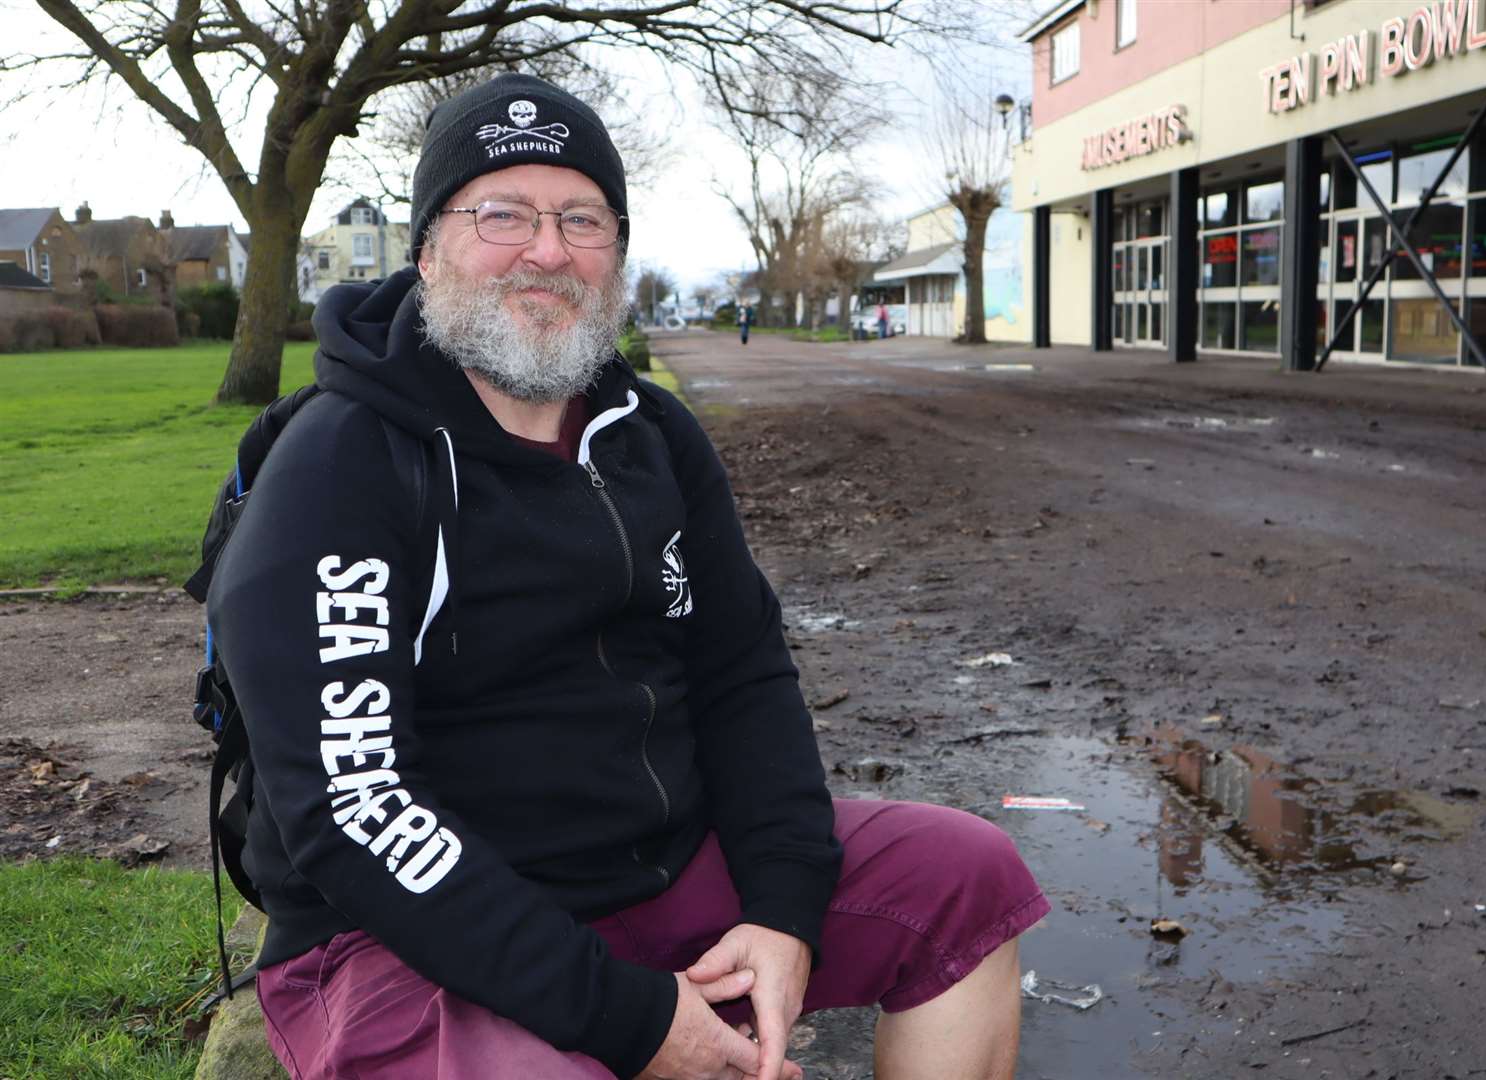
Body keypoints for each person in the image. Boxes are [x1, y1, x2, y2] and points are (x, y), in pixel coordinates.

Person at [208, 73, 1047, 1080]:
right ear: (429, 248)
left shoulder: (652, 438)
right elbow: (354, 806)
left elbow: (742, 673)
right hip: (398, 936)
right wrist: (631, 1021)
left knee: (965, 877)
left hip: (655, 876)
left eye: (582, 219)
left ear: (616, 253)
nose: (548, 251)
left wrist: (783, 914)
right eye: (501, 214)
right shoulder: (340, 465)